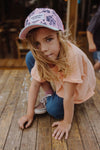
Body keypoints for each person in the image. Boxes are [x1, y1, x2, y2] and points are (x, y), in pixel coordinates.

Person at [18, 8, 96, 140]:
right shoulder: (42, 53)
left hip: (77, 88)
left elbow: (69, 96)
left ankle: (54, 100)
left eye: (48, 39)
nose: (43, 49)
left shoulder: (72, 56)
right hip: (62, 80)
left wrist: (67, 122)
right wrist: (29, 114)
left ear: (60, 36)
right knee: (31, 57)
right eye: (37, 43)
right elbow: (35, 85)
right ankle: (49, 93)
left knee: (54, 110)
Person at [87, 5, 100, 71]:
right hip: (98, 47)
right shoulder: (98, 15)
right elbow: (89, 30)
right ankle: (90, 74)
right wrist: (91, 44)